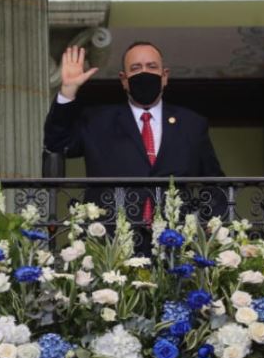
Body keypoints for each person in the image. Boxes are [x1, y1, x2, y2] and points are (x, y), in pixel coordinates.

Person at [43, 42, 224, 223]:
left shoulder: (191, 124)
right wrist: (68, 91)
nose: (144, 72)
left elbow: (215, 181)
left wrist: (213, 225)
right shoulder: (98, 121)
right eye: (136, 68)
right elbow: (57, 142)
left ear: (164, 76)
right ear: (124, 79)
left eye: (151, 66)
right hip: (112, 234)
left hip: (175, 234)